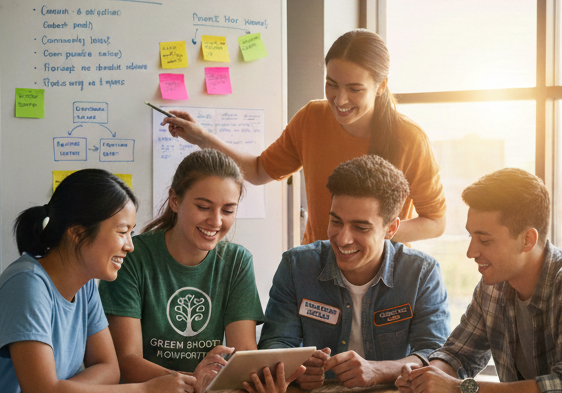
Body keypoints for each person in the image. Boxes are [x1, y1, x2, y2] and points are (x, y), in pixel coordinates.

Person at [161, 29, 446, 245]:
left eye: (355, 89)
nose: (340, 99)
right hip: (319, 266)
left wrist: (370, 233)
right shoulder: (312, 118)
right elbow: (260, 170)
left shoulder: (409, 138)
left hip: (383, 273)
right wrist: (203, 139)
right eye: (331, 84)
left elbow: (436, 222)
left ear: (381, 86)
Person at [99, 149, 303, 393]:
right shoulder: (132, 255)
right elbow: (126, 362)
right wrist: (195, 379)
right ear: (174, 200)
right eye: (204, 207)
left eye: (228, 210)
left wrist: (262, 380)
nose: (216, 221)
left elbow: (244, 356)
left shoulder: (236, 260)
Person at [258, 155, 450, 390]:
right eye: (336, 222)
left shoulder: (422, 273)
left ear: (391, 228)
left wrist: (378, 371)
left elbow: (435, 354)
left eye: (361, 227)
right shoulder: (296, 265)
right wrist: (295, 369)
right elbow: (274, 344)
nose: (343, 239)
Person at [0, 169, 196, 393]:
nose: (130, 246)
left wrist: (61, 389)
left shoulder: (85, 286)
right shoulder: (26, 285)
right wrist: (145, 390)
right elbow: (42, 391)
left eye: (131, 233)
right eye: (122, 232)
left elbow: (110, 369)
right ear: (77, 232)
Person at [395, 168, 562, 393]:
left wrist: (459, 388)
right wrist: (426, 377)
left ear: (527, 240)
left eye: (484, 240)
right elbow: (458, 355)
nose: (471, 251)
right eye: (471, 236)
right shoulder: (492, 287)